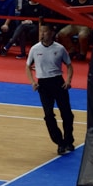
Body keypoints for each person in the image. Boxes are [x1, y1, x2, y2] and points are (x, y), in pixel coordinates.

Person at [26, 24, 75, 155]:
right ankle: (60, 142)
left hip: (58, 82)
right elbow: (28, 66)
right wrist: (32, 82)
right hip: (43, 84)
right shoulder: (35, 49)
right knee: (48, 115)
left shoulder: (60, 49)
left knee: (67, 114)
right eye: (41, 31)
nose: (43, 33)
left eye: (45, 31)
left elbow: (69, 66)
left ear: (52, 33)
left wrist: (68, 81)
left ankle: (69, 140)